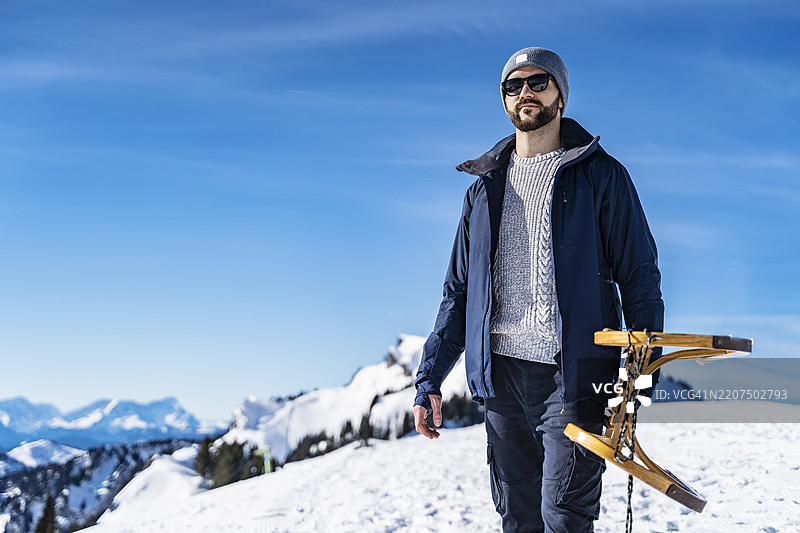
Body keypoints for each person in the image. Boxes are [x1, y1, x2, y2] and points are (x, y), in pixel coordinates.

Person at [412, 47, 664, 533]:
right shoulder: (482, 190)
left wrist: (641, 372)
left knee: (564, 518)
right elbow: (458, 294)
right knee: (518, 519)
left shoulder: (601, 175)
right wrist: (429, 380)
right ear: (504, 100)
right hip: (501, 382)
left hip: (575, 377)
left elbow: (639, 276)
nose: (524, 92)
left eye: (538, 82)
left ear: (560, 96)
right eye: (513, 85)